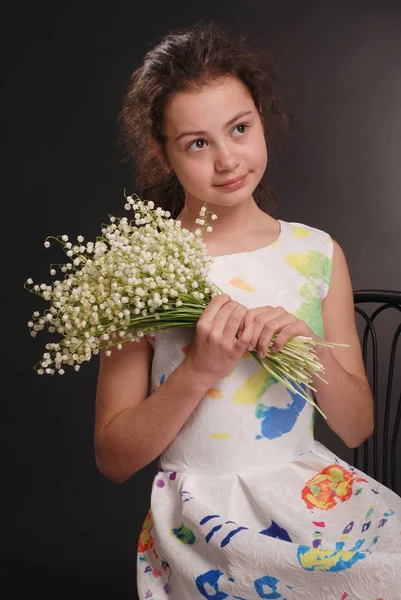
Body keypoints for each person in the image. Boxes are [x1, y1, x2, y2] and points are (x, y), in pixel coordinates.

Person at [94, 20, 401, 600]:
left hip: (307, 500)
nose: (227, 159)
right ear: (162, 153)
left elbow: (357, 425)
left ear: (261, 118)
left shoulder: (315, 253)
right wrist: (198, 371)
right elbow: (114, 456)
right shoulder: (140, 270)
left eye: (239, 128)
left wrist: (307, 354)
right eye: (197, 143)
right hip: (203, 524)